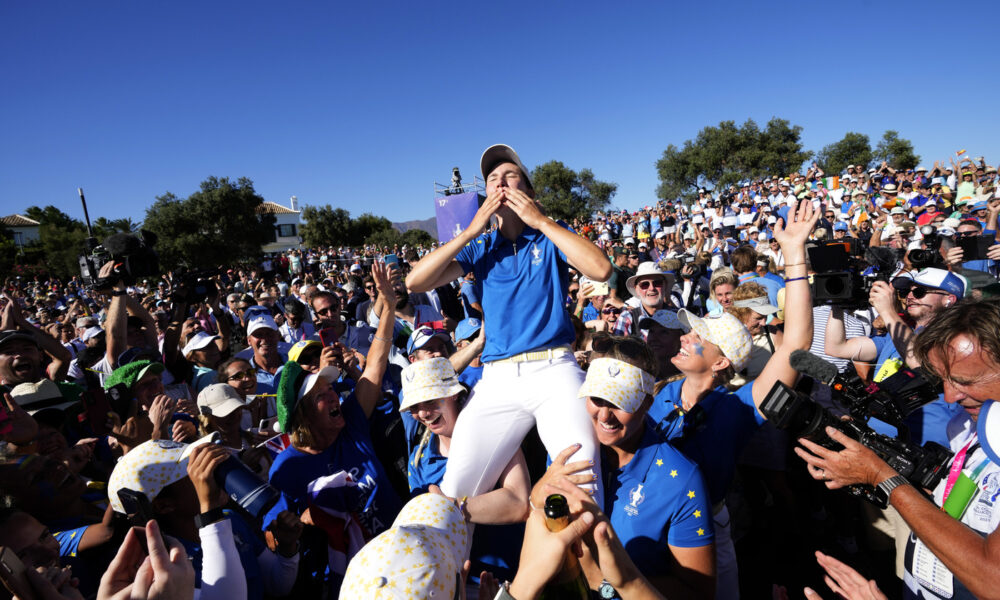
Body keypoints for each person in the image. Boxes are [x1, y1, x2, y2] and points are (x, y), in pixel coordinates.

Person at [406, 144, 612, 506]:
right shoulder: (480, 246)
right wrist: (469, 232)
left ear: (528, 192)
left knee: (584, 483)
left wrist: (542, 221)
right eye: (492, 179)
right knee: (454, 492)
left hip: (555, 370)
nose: (500, 184)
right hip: (497, 378)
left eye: (510, 176)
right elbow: (415, 282)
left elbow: (601, 269)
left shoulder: (550, 235)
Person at [646, 199, 817, 599]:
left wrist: (793, 256)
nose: (685, 337)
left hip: (706, 533)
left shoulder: (737, 410)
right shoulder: (655, 392)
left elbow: (796, 343)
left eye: (697, 337)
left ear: (720, 360)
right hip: (648, 523)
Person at [795, 299, 1000, 600]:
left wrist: (884, 477)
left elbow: (992, 579)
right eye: (943, 380)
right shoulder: (966, 425)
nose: (949, 395)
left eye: (963, 381)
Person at [534, 337, 715, 598]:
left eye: (620, 402)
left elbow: (698, 593)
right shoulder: (568, 449)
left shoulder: (682, 480)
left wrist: (609, 584)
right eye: (597, 398)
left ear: (647, 403)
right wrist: (535, 500)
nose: (605, 416)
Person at [266, 261, 401, 538]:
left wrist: (388, 305)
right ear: (302, 413)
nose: (333, 396)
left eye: (330, 388)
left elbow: (375, 364)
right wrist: (295, 528)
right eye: (320, 395)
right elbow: (274, 534)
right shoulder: (288, 468)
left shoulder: (351, 422)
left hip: (400, 542)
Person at [399, 357, 529, 588]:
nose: (424, 413)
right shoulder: (418, 461)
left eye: (429, 400)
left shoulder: (495, 433)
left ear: (453, 394)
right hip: (459, 584)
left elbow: (518, 504)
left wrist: (452, 507)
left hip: (516, 577)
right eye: (414, 407)